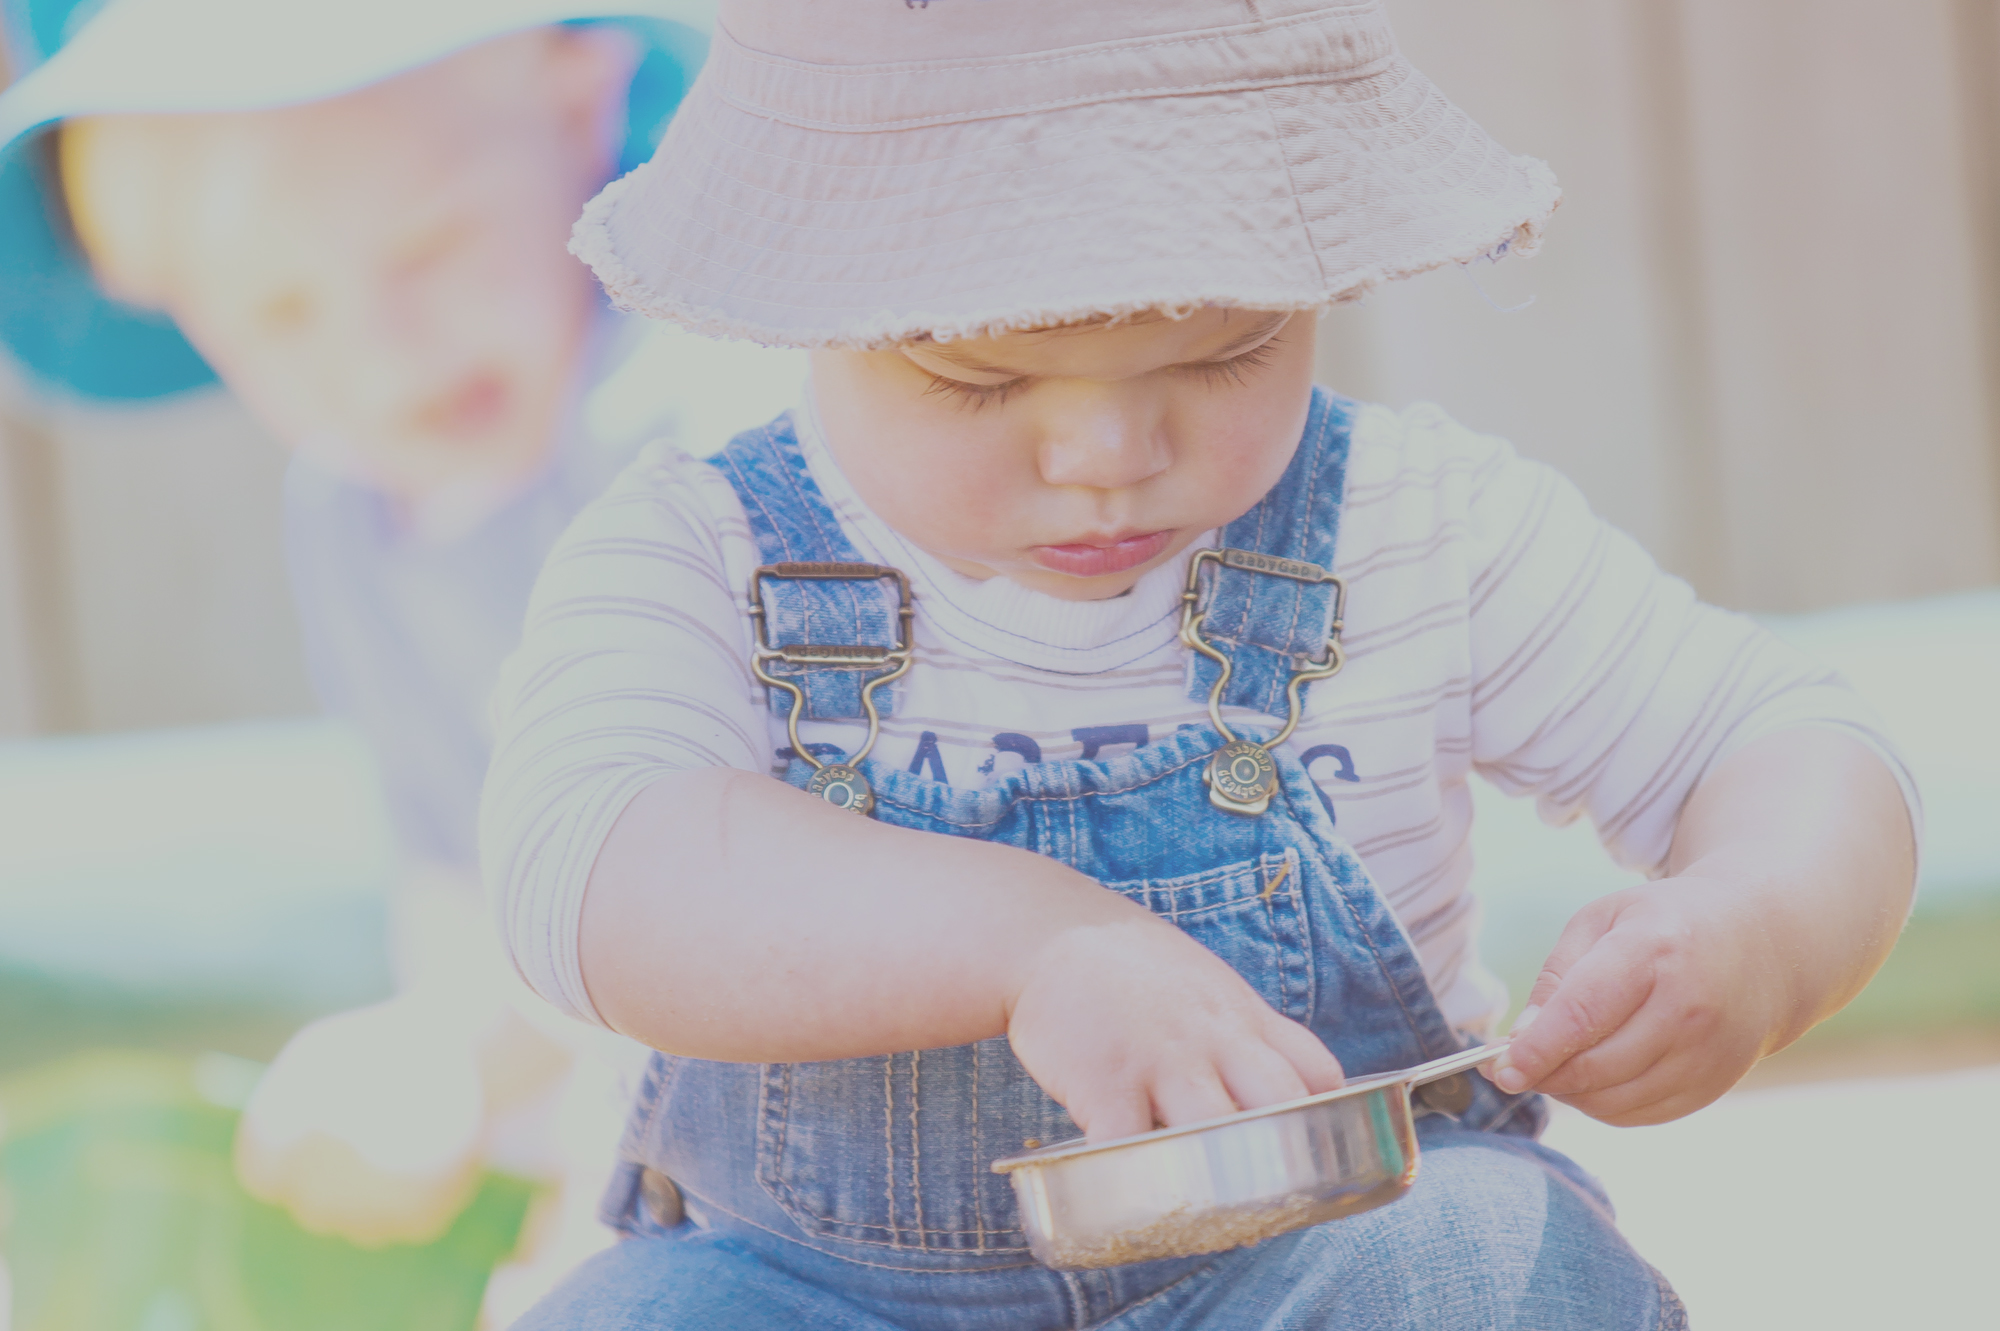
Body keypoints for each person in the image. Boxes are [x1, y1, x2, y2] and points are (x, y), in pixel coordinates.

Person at [482, 1, 1921, 1326]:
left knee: (1482, 1268)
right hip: (813, 1291)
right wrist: (1036, 947)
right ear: (804, 303)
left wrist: (1757, 928)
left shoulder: (1411, 528)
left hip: (1314, 1259)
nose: (1107, 458)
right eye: (975, 380)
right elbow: (592, 867)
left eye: (1225, 350)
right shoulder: (705, 558)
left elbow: (1781, 738)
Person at [0, 0, 802, 1293]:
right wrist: (454, 1084)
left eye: (428, 248)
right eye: (280, 310)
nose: (379, 357)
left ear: (579, 114)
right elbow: (456, 881)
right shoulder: (352, 515)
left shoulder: (694, 421)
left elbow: (728, 853)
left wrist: (471, 1057)